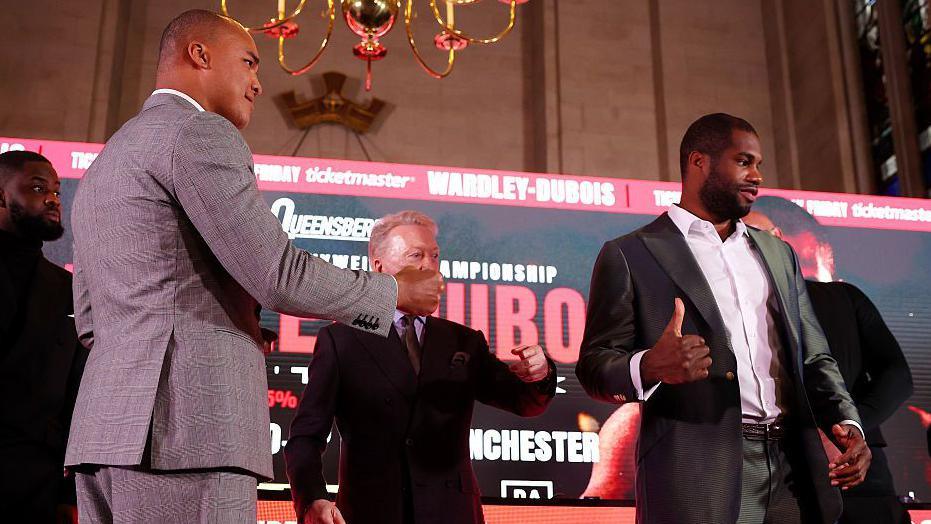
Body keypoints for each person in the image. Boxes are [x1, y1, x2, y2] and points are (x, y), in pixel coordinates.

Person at [65, 10, 443, 523]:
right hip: (186, 434)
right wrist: (392, 293)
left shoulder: (108, 160)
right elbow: (277, 273)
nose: (258, 83)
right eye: (248, 62)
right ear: (199, 55)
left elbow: (91, 323)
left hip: (103, 433)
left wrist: (226, 325)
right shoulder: (199, 133)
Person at [576, 113, 870, 524]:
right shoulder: (631, 254)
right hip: (698, 474)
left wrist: (848, 424)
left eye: (759, 164)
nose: (757, 176)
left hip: (794, 472)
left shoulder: (776, 253)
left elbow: (816, 359)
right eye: (744, 161)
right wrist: (649, 365)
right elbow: (594, 366)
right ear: (699, 162)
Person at [285, 211, 557, 524]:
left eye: (435, 255)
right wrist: (312, 499)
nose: (428, 265)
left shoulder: (463, 341)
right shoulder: (342, 340)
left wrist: (541, 373)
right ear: (379, 266)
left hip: (452, 514)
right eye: (416, 255)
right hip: (372, 513)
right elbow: (305, 436)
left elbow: (523, 401)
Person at [745, 204, 913, 524]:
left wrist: (849, 428)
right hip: (775, 479)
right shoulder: (729, 313)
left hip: (858, 472)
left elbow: (897, 375)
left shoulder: (845, 299)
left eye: (758, 236)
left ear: (780, 240)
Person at [0, 151, 86, 523]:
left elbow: (76, 394)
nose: (52, 198)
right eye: (37, 188)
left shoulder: (69, 289)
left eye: (56, 190)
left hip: (37, 486)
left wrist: (67, 493)